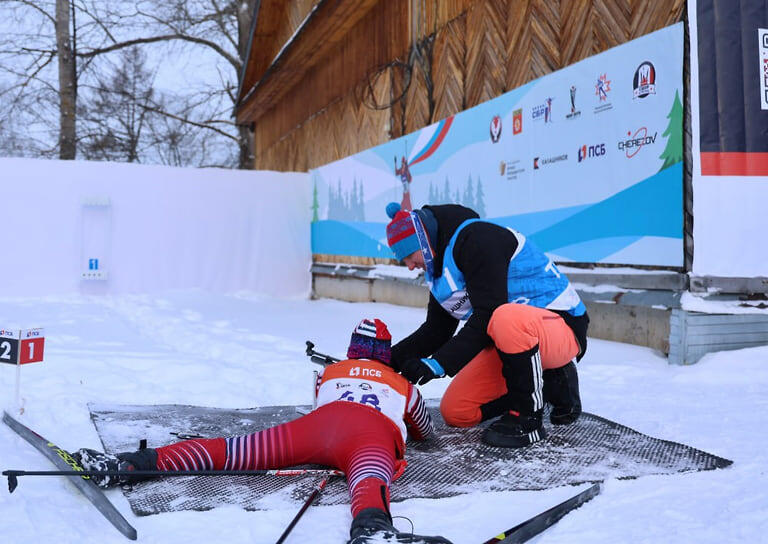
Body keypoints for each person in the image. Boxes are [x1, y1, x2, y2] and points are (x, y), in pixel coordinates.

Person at [73, 319, 452, 544]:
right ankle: (372, 530)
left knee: (230, 451)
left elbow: (321, 402)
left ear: (352, 350)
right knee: (368, 480)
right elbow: (423, 430)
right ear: (386, 352)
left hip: (318, 428)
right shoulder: (404, 386)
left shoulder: (329, 372)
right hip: (371, 436)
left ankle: (129, 464)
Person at [384, 201, 588, 448]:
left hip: (560, 326)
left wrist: (439, 363)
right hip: (510, 338)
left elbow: (489, 314)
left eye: (409, 256)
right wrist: (385, 360)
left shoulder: (479, 239)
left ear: (423, 242)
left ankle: (527, 416)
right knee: (457, 412)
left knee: (504, 317)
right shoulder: (440, 269)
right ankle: (547, 386)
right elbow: (436, 331)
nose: (409, 266)